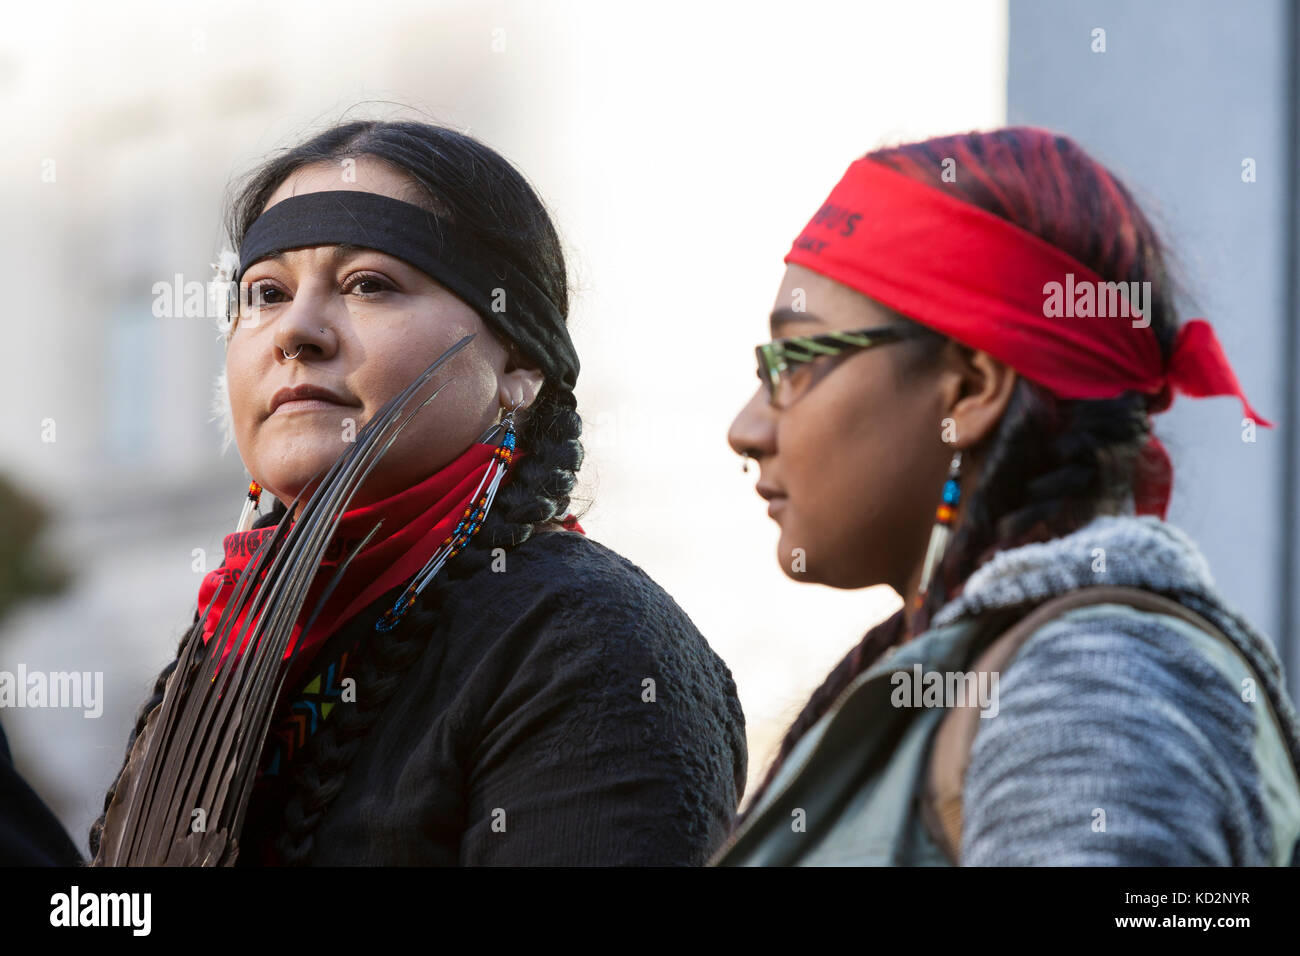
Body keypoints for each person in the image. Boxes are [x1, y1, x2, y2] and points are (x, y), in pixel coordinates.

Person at [89, 118, 746, 866]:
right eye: (264, 294)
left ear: (519, 364)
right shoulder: (215, 655)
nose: (295, 330)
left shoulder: (592, 643)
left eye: (370, 284)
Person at [717, 127, 1300, 866]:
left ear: (971, 387)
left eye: (794, 360)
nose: (748, 427)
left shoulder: (1089, 685)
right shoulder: (978, 668)